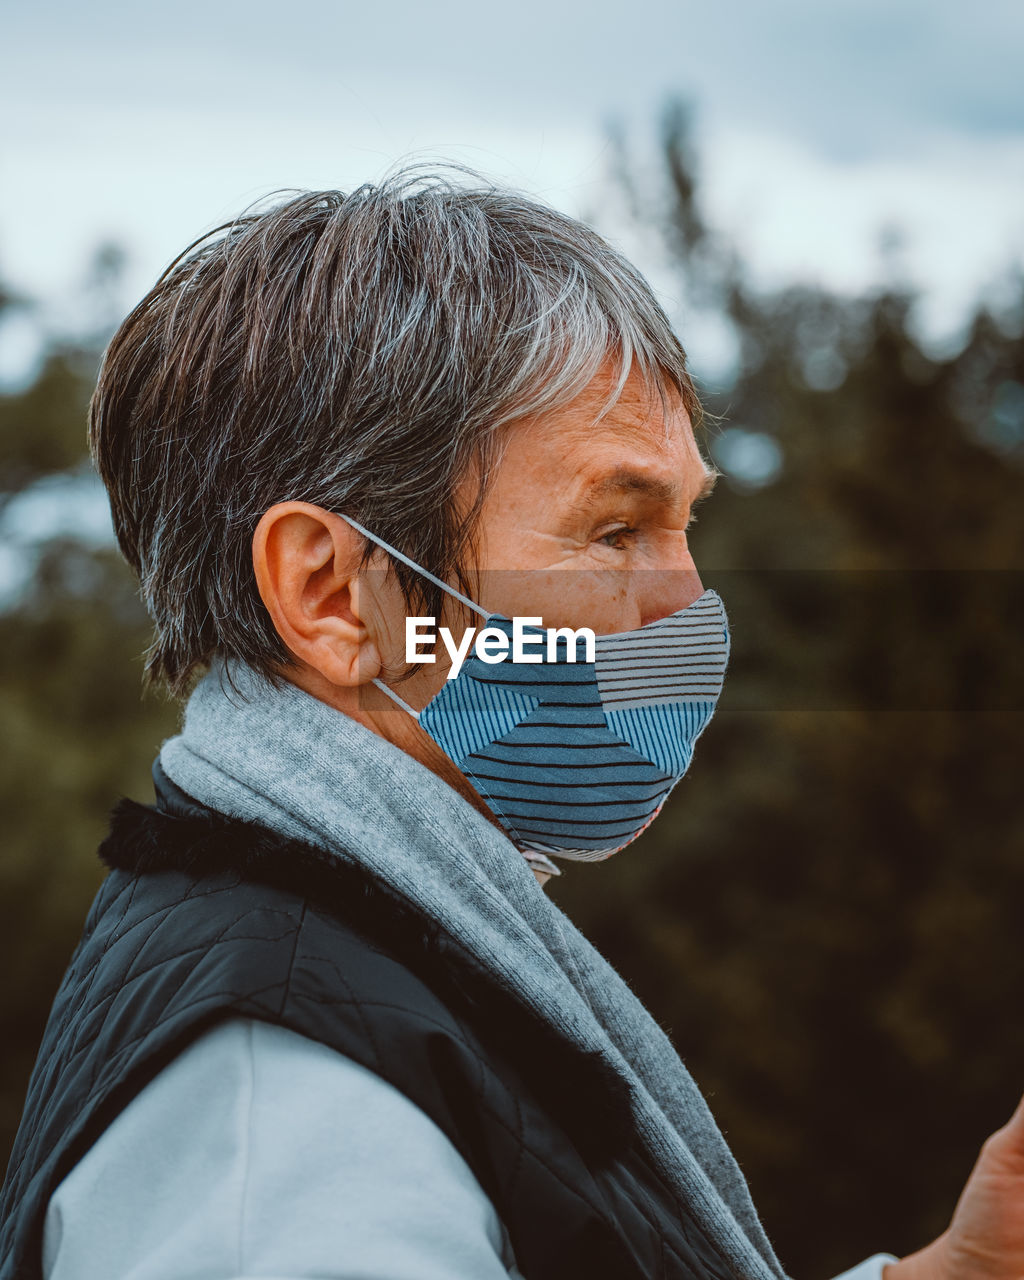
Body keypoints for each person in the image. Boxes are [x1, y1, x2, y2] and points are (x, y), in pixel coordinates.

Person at [1, 170, 1021, 1280]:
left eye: (683, 525)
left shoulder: (357, 948)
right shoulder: (287, 1106)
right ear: (338, 595)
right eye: (616, 529)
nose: (688, 602)